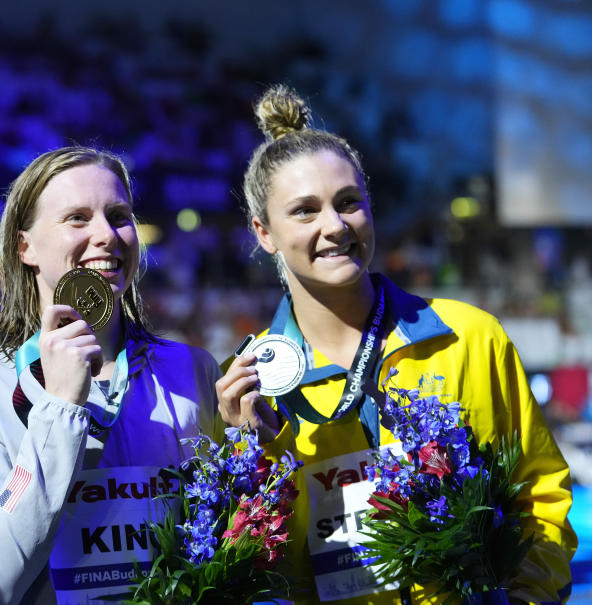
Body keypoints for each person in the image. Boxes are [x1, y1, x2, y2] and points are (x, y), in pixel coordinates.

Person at [216, 85, 576, 604]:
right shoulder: (246, 385)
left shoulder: (470, 338)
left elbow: (542, 499)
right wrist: (257, 452)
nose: (335, 226)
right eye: (304, 211)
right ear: (263, 232)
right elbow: (261, 573)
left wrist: (525, 597)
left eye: (348, 203)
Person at [0, 146, 222, 605]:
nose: (107, 234)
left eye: (119, 215)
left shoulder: (192, 370)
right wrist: (59, 410)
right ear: (25, 247)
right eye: (77, 218)